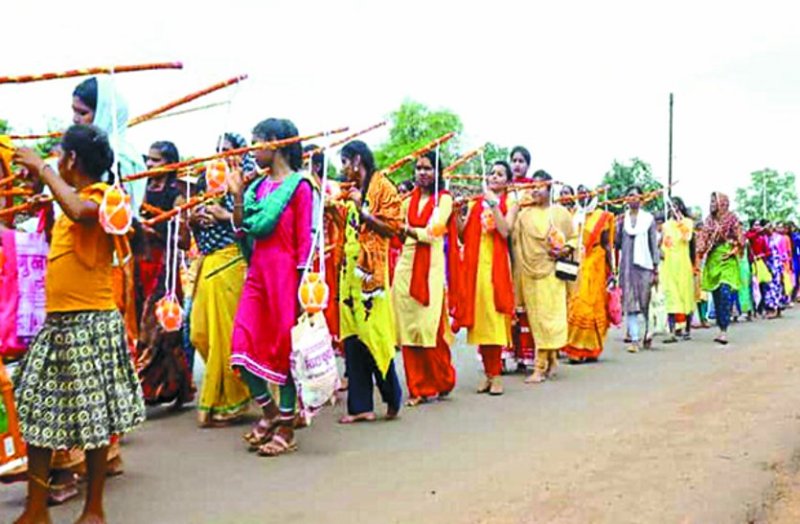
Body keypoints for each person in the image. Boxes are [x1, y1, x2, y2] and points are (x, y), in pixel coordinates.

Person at [12, 124, 146, 524]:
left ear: (71, 159)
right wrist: (40, 185)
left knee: (94, 418)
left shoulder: (104, 197)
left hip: (91, 323)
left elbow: (78, 210)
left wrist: (43, 170)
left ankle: (94, 509)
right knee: (34, 410)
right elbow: (64, 212)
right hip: (59, 324)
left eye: (58, 156)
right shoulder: (68, 198)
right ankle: (36, 508)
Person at [231, 118, 313, 457]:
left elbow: (305, 242)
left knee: (284, 352)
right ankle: (270, 412)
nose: (251, 151)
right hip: (257, 273)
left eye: (256, 143)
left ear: (276, 143)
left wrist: (301, 290)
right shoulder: (255, 189)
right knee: (240, 343)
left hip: (285, 277)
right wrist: (237, 194)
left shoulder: (301, 187)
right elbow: (242, 227)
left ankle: (286, 429)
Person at [189, 133, 254, 427]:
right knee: (198, 333)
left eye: (229, 150)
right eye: (219, 150)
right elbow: (189, 231)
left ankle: (230, 403)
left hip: (231, 261)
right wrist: (194, 221)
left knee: (223, 336)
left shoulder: (249, 179)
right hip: (206, 262)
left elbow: (254, 221)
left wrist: (224, 215)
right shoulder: (207, 181)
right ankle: (235, 390)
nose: (223, 156)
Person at [337, 140, 403, 423]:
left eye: (344, 162)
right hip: (348, 272)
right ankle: (360, 406)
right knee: (352, 338)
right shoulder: (349, 191)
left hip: (372, 275)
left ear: (357, 160)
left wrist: (361, 210)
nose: (342, 169)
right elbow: (347, 227)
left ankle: (392, 395)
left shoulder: (383, 187)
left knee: (375, 334)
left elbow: (393, 227)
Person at [394, 151, 458, 406]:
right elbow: (396, 231)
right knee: (409, 330)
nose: (422, 173)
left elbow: (434, 231)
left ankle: (442, 380)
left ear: (437, 172)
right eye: (419, 168)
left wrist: (408, 230)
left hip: (430, 268)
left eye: (428, 168)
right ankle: (418, 388)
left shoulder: (444, 200)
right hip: (405, 269)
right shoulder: (405, 202)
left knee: (428, 328)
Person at [135, 141, 195, 408]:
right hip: (141, 267)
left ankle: (136, 391)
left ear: (170, 164)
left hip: (164, 269)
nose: (149, 165)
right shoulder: (141, 191)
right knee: (149, 331)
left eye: (156, 161)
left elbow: (184, 241)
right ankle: (177, 387)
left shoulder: (176, 195)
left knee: (157, 331)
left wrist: (156, 232)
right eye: (148, 160)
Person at [508, 170, 575, 383]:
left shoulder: (560, 213)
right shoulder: (523, 215)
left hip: (551, 272)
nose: (535, 190)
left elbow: (573, 238)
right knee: (536, 319)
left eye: (540, 186)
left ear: (549, 189)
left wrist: (564, 250)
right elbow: (512, 238)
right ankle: (551, 358)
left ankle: (539, 366)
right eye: (532, 186)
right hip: (529, 272)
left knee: (550, 317)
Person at [456, 161, 515, 394]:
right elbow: (462, 235)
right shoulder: (475, 203)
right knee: (480, 319)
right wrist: (457, 215)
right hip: (475, 267)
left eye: (500, 174)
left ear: (507, 181)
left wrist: (493, 203)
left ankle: (496, 374)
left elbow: (505, 230)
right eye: (491, 173)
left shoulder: (511, 202)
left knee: (494, 318)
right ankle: (489, 374)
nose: (494, 177)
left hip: (496, 267)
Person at [563, 184, 614, 362]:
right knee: (574, 303)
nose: (582, 196)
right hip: (576, 262)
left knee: (590, 304)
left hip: (595, 263)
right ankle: (576, 347)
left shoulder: (602, 216)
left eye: (586, 192)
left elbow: (607, 244)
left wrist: (612, 270)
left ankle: (588, 348)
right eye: (579, 193)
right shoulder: (573, 215)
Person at [616, 186, 659, 353]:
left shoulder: (649, 219)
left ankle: (648, 332)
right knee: (630, 302)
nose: (632, 198)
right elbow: (617, 243)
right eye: (629, 195)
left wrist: (656, 268)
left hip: (645, 267)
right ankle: (634, 338)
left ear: (641, 199)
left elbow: (653, 244)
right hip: (627, 266)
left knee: (645, 301)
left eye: (635, 195)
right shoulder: (622, 220)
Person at [696, 192, 744, 344]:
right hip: (714, 259)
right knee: (716, 294)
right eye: (710, 201)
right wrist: (699, 250)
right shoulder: (708, 221)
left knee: (725, 291)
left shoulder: (732, 218)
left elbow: (741, 238)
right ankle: (720, 326)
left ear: (722, 203)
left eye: (714, 201)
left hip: (728, 258)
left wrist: (734, 250)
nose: (712, 204)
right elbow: (702, 240)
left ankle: (724, 330)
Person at [661, 197, 696, 343]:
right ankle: (673, 331)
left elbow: (687, 237)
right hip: (669, 265)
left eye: (676, 206)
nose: (673, 209)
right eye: (671, 206)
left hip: (683, 265)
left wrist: (680, 220)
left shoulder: (688, 222)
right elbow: (664, 245)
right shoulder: (666, 225)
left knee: (686, 296)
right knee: (671, 296)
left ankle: (687, 329)